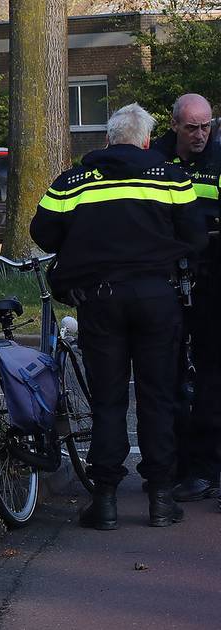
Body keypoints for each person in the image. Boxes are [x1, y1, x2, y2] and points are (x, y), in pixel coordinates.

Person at [31, 103, 206, 530]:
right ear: (147, 141)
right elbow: (196, 237)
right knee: (157, 397)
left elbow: (42, 231)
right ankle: (161, 500)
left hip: (100, 300)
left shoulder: (74, 180)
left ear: (108, 140)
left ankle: (105, 501)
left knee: (108, 400)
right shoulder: (171, 176)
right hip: (157, 299)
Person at [150, 93, 221, 503]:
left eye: (206, 126)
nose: (200, 135)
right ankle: (171, 464)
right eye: (192, 127)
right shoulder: (157, 158)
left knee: (212, 372)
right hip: (168, 277)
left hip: (213, 278)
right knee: (166, 373)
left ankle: (207, 468)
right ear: (175, 124)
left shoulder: (218, 157)